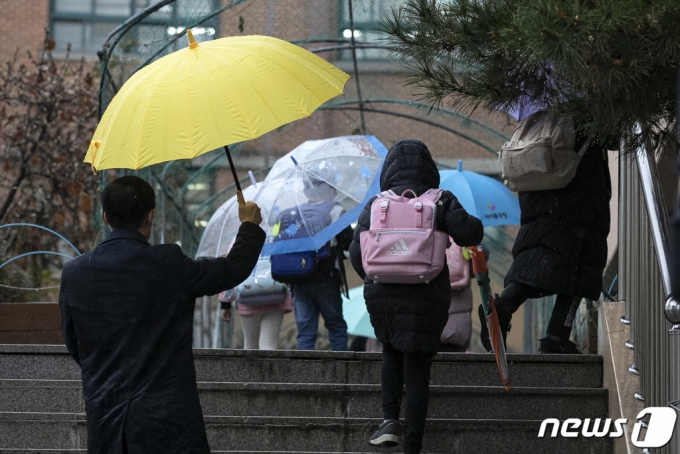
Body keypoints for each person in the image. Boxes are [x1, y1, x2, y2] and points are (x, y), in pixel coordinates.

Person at [58, 175, 264, 454]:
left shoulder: (75, 273)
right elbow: (231, 269)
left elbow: (74, 343)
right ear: (151, 214)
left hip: (107, 420)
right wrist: (249, 226)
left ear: (104, 216)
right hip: (168, 423)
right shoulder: (168, 263)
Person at [349, 139, 484, 454]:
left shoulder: (376, 204)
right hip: (427, 293)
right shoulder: (440, 200)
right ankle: (412, 445)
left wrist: (382, 275)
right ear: (429, 169)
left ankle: (389, 420)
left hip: (383, 293)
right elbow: (470, 234)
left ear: (389, 170)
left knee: (391, 351)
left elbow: (358, 255)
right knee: (418, 366)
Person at [480, 131, 612, 354]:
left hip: (537, 171)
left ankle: (504, 307)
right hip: (576, 175)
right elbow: (610, 133)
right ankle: (557, 335)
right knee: (582, 257)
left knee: (541, 249)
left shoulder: (536, 111)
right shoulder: (580, 110)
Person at [276, 177, 353, 351]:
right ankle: (342, 373)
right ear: (330, 190)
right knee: (336, 327)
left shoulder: (291, 214)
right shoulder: (335, 211)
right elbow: (349, 243)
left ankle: (306, 374)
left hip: (297, 279)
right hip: (325, 278)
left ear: (305, 191)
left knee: (305, 332)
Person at [440, 246, 488, 353]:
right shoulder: (461, 236)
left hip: (425, 330)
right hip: (456, 331)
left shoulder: (423, 233)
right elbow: (477, 265)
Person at [219, 288, 293, 350]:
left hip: (248, 297)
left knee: (250, 345)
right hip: (276, 296)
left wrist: (225, 303)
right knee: (268, 343)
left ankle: (251, 367)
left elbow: (231, 274)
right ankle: (267, 367)